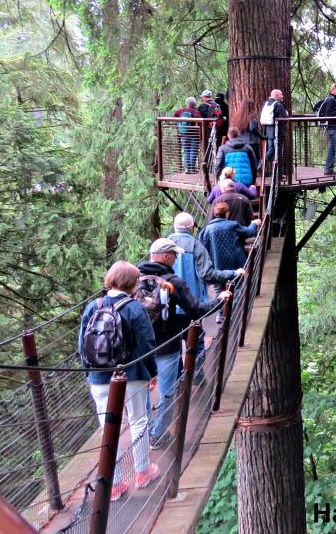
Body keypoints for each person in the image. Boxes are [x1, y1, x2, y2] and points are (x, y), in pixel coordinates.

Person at [78, 261, 159, 501]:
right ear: (133, 284)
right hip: (131, 374)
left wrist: (89, 373)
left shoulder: (93, 306)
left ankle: (113, 485)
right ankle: (142, 472)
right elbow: (146, 345)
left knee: (108, 429)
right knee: (139, 422)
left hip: (99, 378)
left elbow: (82, 345)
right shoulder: (135, 309)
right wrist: (151, 373)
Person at [136, 239, 230, 444]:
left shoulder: (133, 277)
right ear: (166, 256)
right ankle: (158, 434)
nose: (177, 258)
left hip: (138, 347)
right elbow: (196, 311)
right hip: (166, 344)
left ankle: (143, 433)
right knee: (168, 391)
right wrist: (221, 299)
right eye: (175, 255)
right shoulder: (173, 281)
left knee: (142, 390)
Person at [167, 213, 245, 378]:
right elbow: (208, 275)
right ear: (192, 227)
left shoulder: (163, 245)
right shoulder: (196, 246)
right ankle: (196, 375)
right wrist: (232, 273)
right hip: (191, 303)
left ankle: (178, 380)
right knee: (197, 340)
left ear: (175, 226)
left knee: (173, 344)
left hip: (168, 304)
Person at [200, 201, 260, 275]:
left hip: (216, 264)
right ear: (227, 213)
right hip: (235, 262)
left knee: (220, 283)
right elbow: (248, 232)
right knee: (239, 282)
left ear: (215, 214)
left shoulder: (206, 229)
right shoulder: (232, 225)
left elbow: (202, 246)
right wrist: (253, 224)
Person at [259, 89, 288, 167]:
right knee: (277, 153)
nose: (282, 96)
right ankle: (261, 166)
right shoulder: (278, 105)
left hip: (268, 132)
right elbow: (284, 119)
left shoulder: (265, 104)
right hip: (277, 133)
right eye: (281, 94)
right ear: (276, 95)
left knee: (271, 150)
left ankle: (262, 166)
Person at [172, 97, 200, 173]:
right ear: (194, 104)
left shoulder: (180, 111)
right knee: (193, 150)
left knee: (186, 150)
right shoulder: (196, 112)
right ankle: (192, 168)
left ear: (187, 104)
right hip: (194, 134)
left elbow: (174, 115)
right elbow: (200, 122)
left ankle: (187, 168)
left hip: (184, 134)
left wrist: (178, 126)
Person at [236, 98, 265, 170]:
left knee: (245, 162)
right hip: (252, 143)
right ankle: (253, 178)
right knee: (253, 162)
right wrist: (262, 137)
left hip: (241, 143)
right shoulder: (252, 116)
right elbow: (253, 128)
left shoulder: (238, 117)